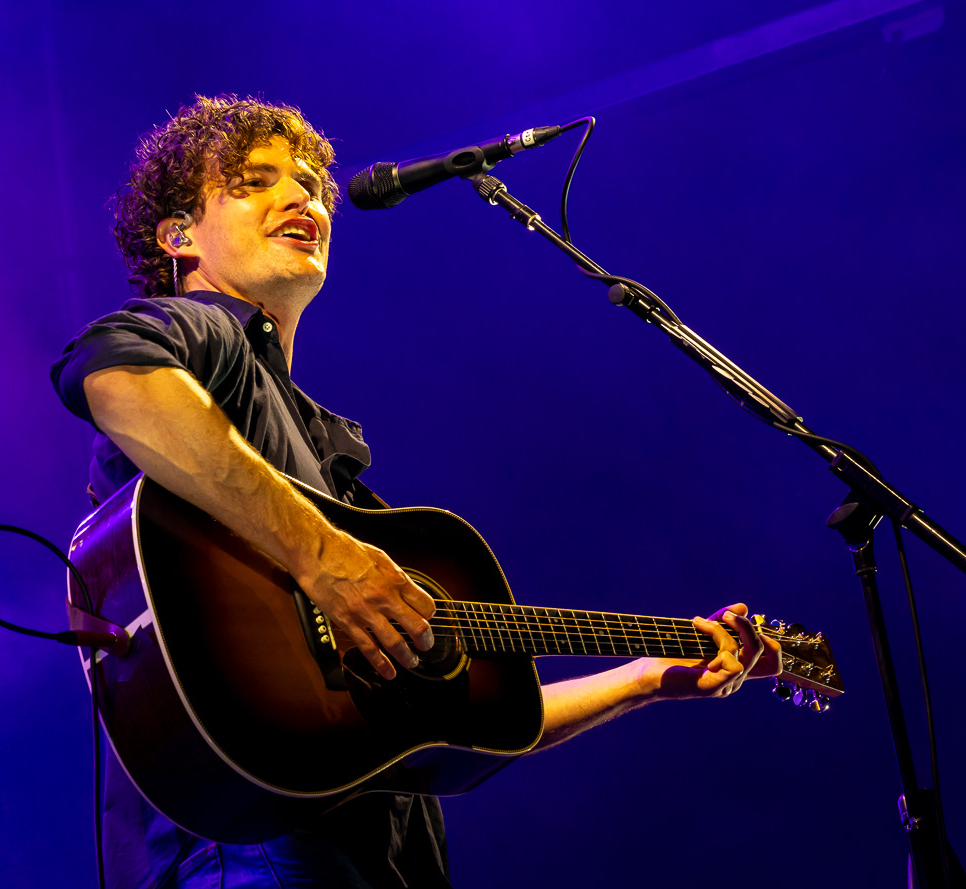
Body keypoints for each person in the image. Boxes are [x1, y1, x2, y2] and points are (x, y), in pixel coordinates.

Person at [51, 94, 781, 889]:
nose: (303, 198)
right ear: (179, 233)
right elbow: (113, 374)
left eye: (310, 184)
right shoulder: (209, 332)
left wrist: (650, 675)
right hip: (248, 853)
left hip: (366, 860)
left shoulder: (331, 468)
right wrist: (323, 555)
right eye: (257, 182)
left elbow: (467, 722)